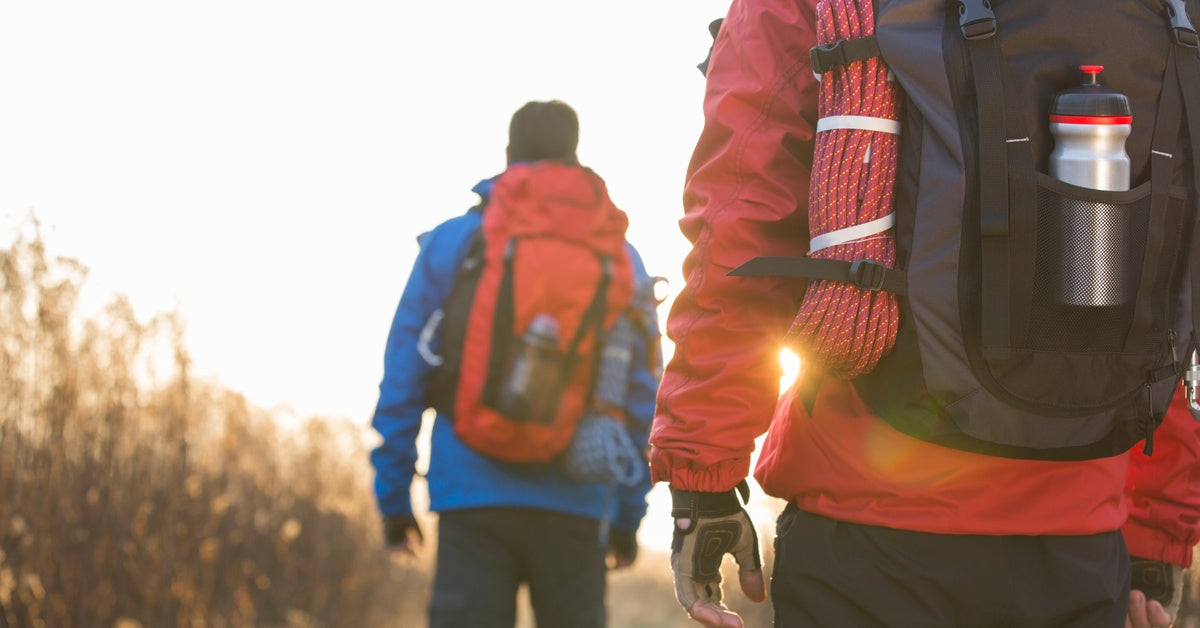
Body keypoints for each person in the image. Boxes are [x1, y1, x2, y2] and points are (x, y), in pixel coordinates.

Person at [649, 2, 1200, 628]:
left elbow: (741, 223)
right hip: (1080, 535)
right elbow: (1176, 267)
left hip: (865, 529)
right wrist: (1160, 528)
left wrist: (702, 476)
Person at [369, 100, 662, 627]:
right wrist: (626, 514)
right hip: (578, 495)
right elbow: (644, 394)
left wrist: (393, 498)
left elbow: (404, 371)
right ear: (575, 158)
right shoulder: (620, 257)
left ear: (508, 158)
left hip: (470, 492)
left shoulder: (455, 242)